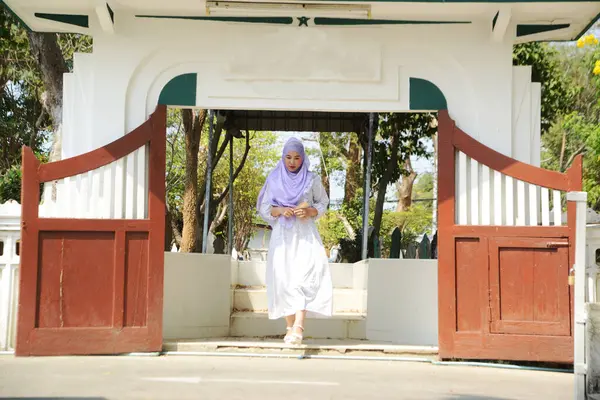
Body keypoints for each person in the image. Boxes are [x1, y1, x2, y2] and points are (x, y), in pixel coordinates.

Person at [257, 137, 333, 345]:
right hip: (282, 236)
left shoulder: (312, 179)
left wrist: (309, 211)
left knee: (303, 276)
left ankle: (299, 326)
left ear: (303, 158)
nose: (292, 162)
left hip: (305, 234)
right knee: (283, 279)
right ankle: (289, 326)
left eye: (297, 158)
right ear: (283, 158)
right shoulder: (273, 179)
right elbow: (265, 208)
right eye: (288, 157)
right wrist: (282, 210)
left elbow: (323, 202)